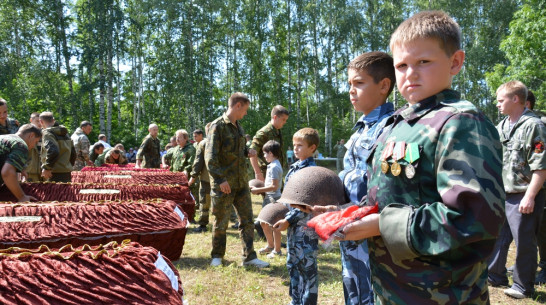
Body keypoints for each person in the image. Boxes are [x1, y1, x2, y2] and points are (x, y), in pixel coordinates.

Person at [337, 11, 505, 304]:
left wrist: (382, 224)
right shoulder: (399, 123)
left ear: (455, 62)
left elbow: (475, 218)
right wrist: (350, 212)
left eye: (423, 62)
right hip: (393, 288)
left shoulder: (460, 122)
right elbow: (389, 194)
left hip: (441, 294)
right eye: (401, 65)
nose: (410, 73)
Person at [336, 51, 395, 305]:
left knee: (372, 291)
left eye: (359, 83)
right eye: (350, 84)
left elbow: (386, 185)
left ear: (384, 86)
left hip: (373, 231)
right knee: (353, 284)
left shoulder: (392, 126)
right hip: (350, 224)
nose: (351, 90)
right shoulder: (362, 127)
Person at [488, 80, 546, 299]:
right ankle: (495, 275)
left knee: (524, 241)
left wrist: (530, 196)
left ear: (515, 99)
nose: (497, 104)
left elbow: (541, 166)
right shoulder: (503, 125)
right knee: (498, 237)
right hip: (503, 192)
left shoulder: (534, 126)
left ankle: (523, 286)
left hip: (524, 193)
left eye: (501, 100)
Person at [204, 92, 269, 268]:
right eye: (245, 109)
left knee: (247, 220)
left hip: (241, 183)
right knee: (221, 221)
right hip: (224, 185)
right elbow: (210, 157)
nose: (245, 113)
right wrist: (220, 180)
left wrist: (248, 152)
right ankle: (217, 256)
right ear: (238, 105)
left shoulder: (238, 127)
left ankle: (249, 257)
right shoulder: (218, 126)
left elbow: (238, 150)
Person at [273, 127, 320, 305]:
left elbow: (305, 204)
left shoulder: (311, 172)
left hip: (306, 228)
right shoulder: (295, 167)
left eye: (300, 145)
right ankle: (296, 300)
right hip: (293, 227)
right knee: (293, 264)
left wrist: (288, 219)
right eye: (294, 145)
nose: (295, 149)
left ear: (312, 148)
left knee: (307, 268)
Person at [250, 140, 284, 258]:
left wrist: (258, 190)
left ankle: (277, 250)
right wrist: (257, 186)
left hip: (273, 199)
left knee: (274, 225)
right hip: (269, 197)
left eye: (265, 154)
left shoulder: (275, 167)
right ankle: (270, 246)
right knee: (264, 222)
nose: (264, 156)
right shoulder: (272, 165)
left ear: (271, 153)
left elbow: (274, 186)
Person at [0, 124, 41, 201]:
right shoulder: (21, 144)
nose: (33, 146)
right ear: (31, 135)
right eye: (36, 142)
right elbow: (7, 172)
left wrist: (19, 168)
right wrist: (22, 197)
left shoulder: (4, 138)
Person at [250, 105, 289, 181]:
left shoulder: (278, 131)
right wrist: (258, 173)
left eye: (286, 120)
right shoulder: (264, 132)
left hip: (276, 172)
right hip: (267, 175)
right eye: (283, 119)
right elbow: (252, 153)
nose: (285, 122)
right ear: (275, 117)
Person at [39, 112, 76, 182]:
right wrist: (67, 166)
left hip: (53, 173)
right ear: (53, 120)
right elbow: (73, 153)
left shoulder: (47, 133)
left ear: (41, 121)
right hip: (66, 172)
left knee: (53, 192)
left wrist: (47, 168)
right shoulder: (65, 133)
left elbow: (53, 151)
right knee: (66, 192)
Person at [190, 123, 212, 233]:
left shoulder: (203, 143)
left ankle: (203, 225)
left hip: (206, 178)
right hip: (222, 179)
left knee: (204, 202)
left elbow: (198, 162)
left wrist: (193, 176)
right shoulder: (223, 143)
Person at [24, 112, 43, 182]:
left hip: (42, 170)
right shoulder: (26, 134)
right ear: (31, 120)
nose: (39, 123)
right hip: (30, 170)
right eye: (37, 121)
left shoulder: (44, 134)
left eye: (41, 121)